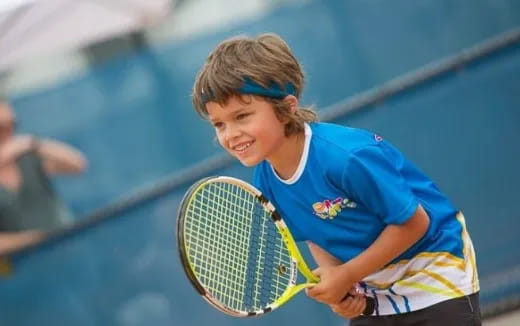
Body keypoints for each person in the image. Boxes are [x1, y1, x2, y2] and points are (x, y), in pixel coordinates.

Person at [190, 33, 480, 325]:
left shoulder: (346, 158)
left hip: (435, 270)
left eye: (242, 116)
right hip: (372, 285)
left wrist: (347, 275)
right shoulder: (266, 180)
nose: (229, 134)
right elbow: (316, 234)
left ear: (287, 106)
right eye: (219, 124)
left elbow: (415, 222)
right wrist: (340, 286)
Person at [0, 100, 87, 254]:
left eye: (12, 124)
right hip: (26, 265)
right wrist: (30, 240)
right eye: (1, 128)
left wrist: (35, 144)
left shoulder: (27, 157)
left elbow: (77, 165)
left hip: (68, 247)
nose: (8, 132)